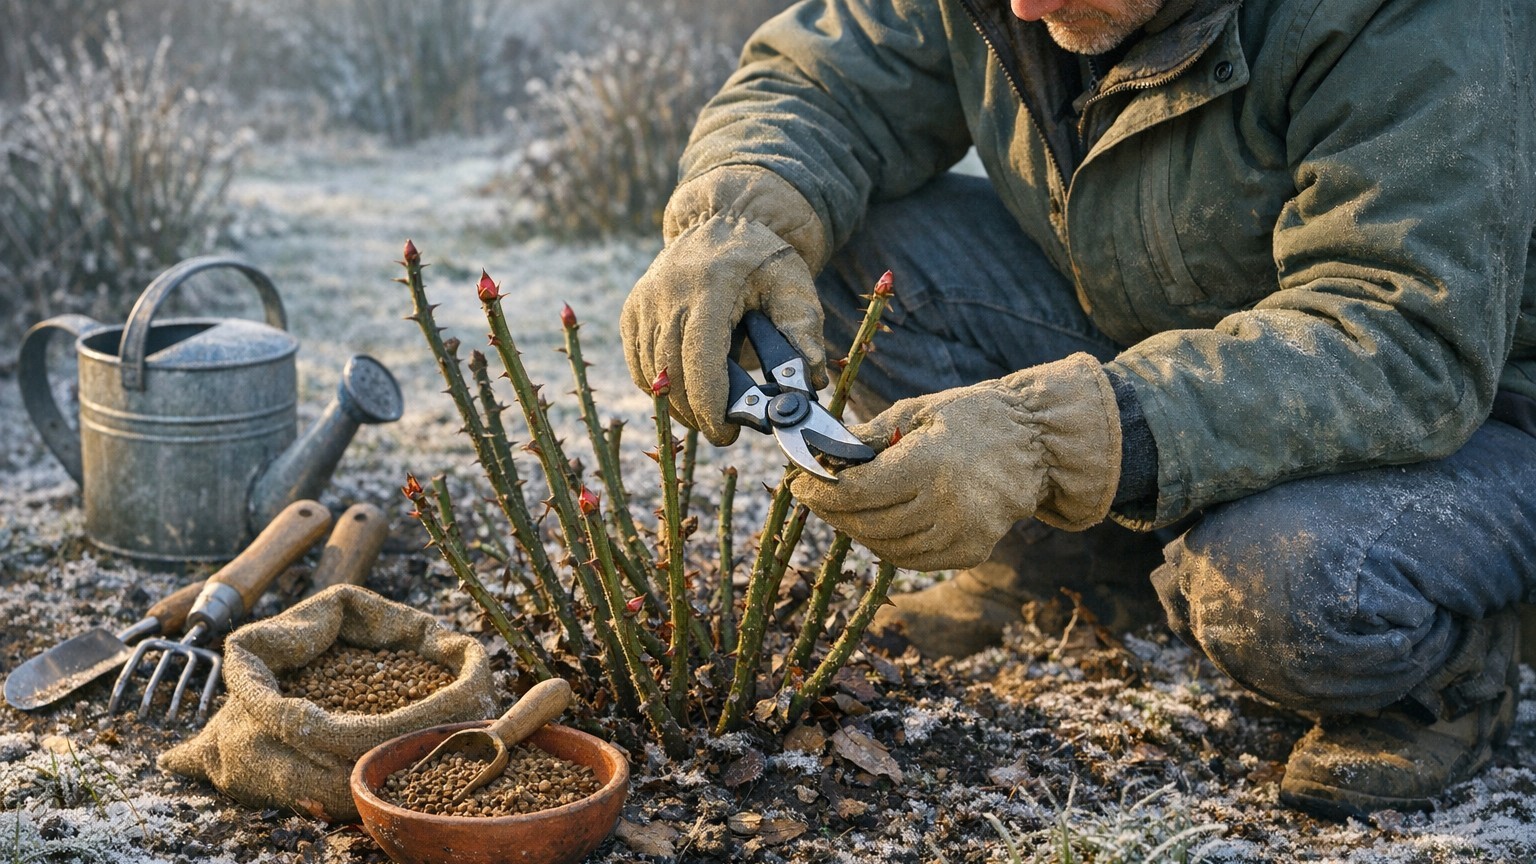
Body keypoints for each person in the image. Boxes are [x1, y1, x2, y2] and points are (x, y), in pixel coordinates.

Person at [619, 0, 1536, 820]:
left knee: (1288, 581)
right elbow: (828, 77)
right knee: (854, 252)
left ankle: (1445, 672)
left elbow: (1402, 339)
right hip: (1163, 332)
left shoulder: (1412, 17)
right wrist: (736, 216)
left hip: (1471, 412)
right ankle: (1069, 572)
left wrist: (1051, 439)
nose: (1024, 7)